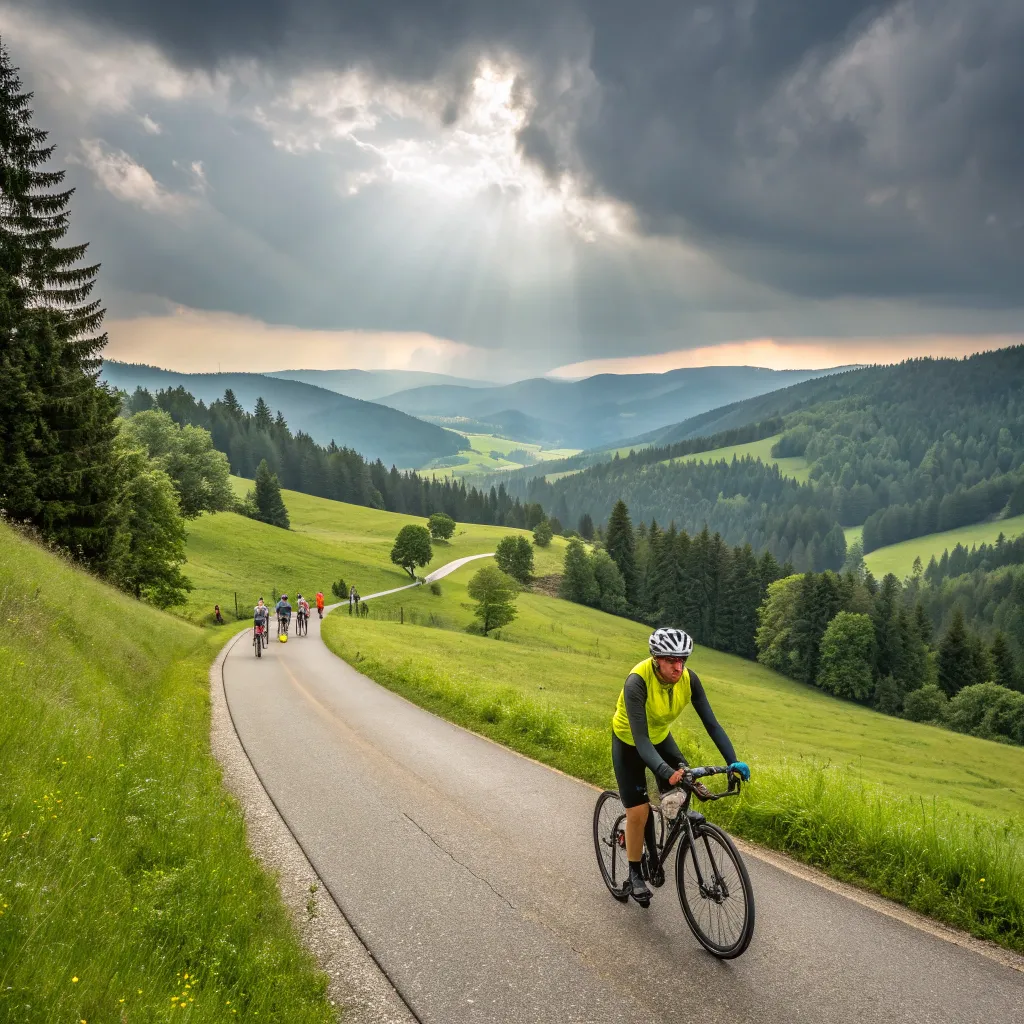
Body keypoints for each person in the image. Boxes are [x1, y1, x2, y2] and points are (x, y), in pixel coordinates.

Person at [611, 627, 750, 907]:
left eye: (682, 660)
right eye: (671, 660)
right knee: (638, 811)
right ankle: (635, 871)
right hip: (630, 743)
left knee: (682, 789)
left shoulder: (689, 679)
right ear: (656, 659)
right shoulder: (637, 682)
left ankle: (663, 833)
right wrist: (665, 772)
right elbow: (640, 740)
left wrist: (732, 760)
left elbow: (711, 724)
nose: (678, 666)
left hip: (660, 739)